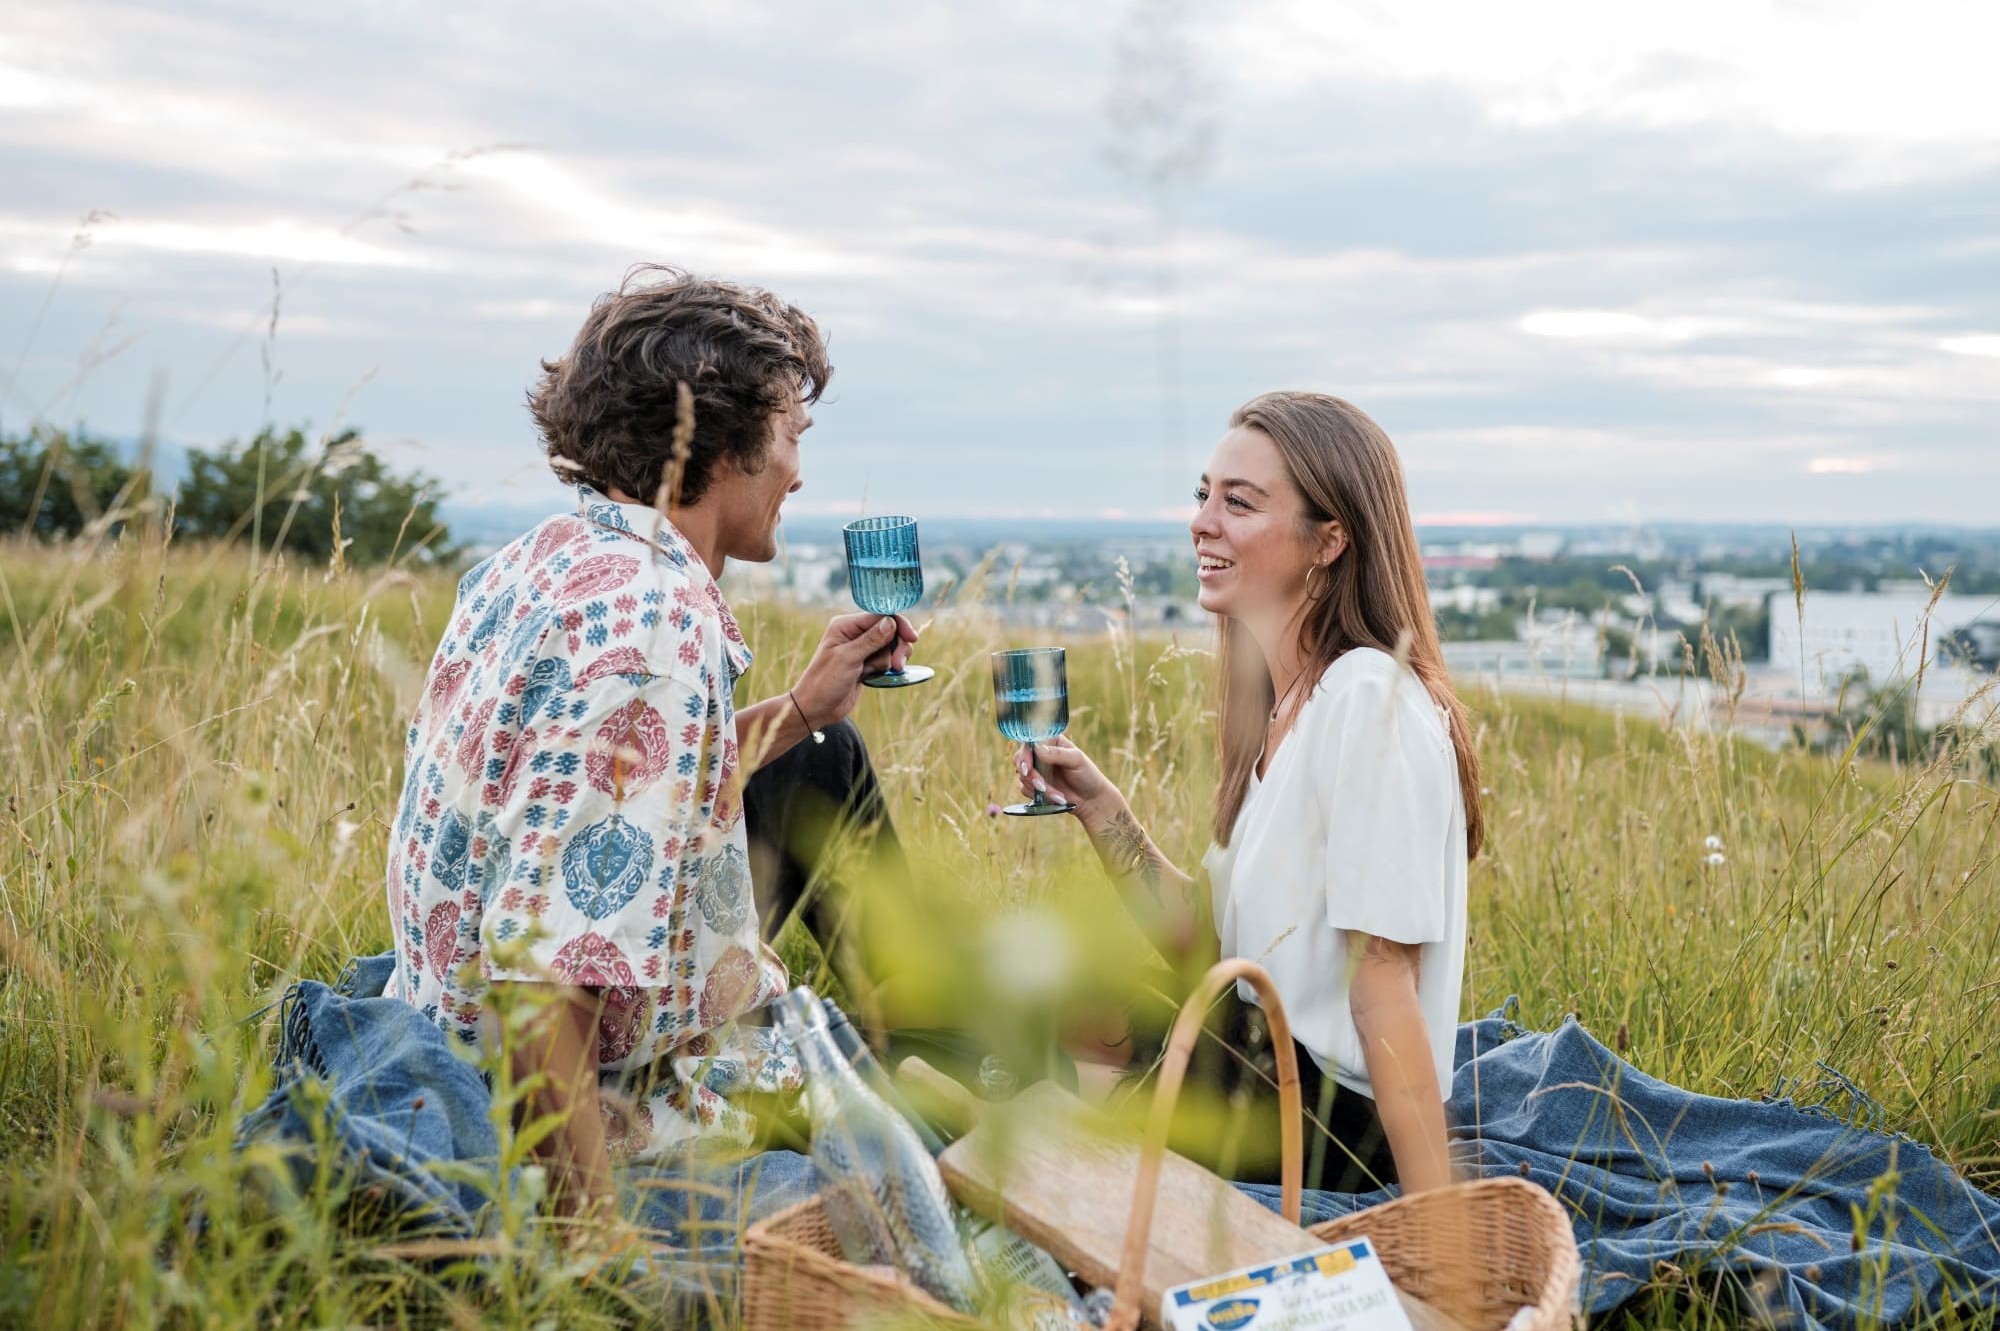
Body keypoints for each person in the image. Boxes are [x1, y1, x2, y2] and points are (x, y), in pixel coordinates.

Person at [383, 265, 913, 1230]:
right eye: (794, 436)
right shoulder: (654, 627)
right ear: (725, 439)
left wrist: (800, 707)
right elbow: (540, 995)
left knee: (942, 1109)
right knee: (957, 1212)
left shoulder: (538, 560)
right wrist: (598, 1264)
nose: (800, 469)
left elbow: (628, 788)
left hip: (449, 1053)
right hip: (632, 1131)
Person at [1008, 391, 1484, 1195]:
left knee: (1012, 1097)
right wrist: (1101, 808)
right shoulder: (1286, 705)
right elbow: (1212, 945)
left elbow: (1384, 980)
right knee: (1039, 983)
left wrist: (1430, 1224)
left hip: (1320, 1122)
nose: (1202, 521)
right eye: (1203, 494)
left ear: (1328, 539)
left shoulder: (1367, 698)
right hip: (1256, 1061)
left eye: (1239, 502)